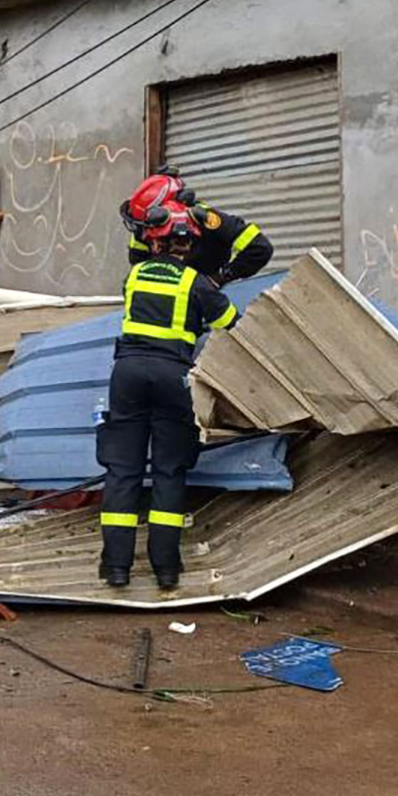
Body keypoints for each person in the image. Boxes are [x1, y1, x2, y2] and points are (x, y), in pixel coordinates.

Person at [101, 208, 240, 592]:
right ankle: (166, 571)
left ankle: (116, 568)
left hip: (127, 374)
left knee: (123, 470)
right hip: (172, 377)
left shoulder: (135, 276)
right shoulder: (196, 283)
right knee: (168, 471)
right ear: (190, 245)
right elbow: (231, 321)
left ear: (154, 240)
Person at [119, 168, 273, 287]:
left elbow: (259, 248)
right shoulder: (144, 226)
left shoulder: (209, 221)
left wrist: (220, 277)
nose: (145, 233)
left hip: (207, 298)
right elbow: (137, 264)